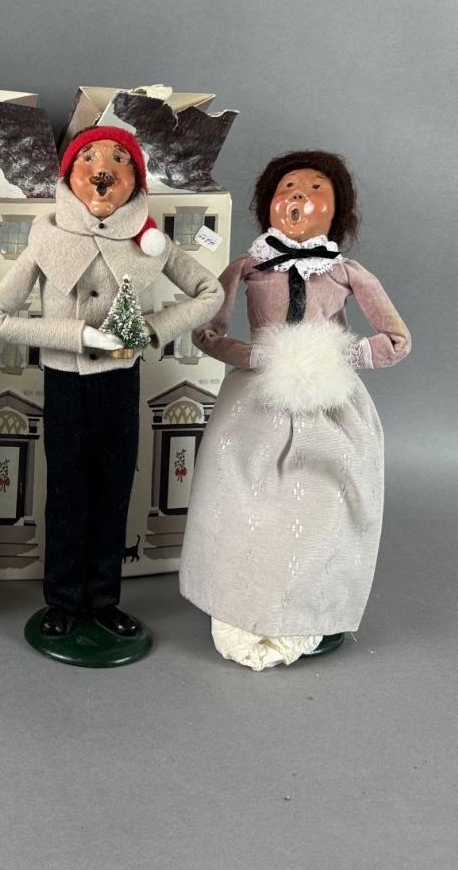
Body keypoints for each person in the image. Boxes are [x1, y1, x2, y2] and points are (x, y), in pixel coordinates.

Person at [0, 126, 223, 646]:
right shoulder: (47, 237)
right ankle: (63, 600)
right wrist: (75, 335)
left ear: (135, 179)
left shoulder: (151, 241)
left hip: (120, 381)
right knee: (66, 492)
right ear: (69, 174)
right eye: (88, 158)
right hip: (64, 381)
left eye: (119, 160)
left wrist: (150, 330)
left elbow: (210, 292)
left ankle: (104, 599)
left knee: (115, 490)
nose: (103, 171)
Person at [179, 151, 411, 669]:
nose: (299, 194)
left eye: (316, 187)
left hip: (329, 403)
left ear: (337, 210)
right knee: (245, 495)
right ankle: (242, 599)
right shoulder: (248, 266)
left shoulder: (346, 271)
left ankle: (312, 605)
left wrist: (345, 355)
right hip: (257, 401)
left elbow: (397, 339)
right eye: (287, 186)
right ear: (269, 204)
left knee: (325, 502)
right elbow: (206, 332)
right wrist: (255, 356)